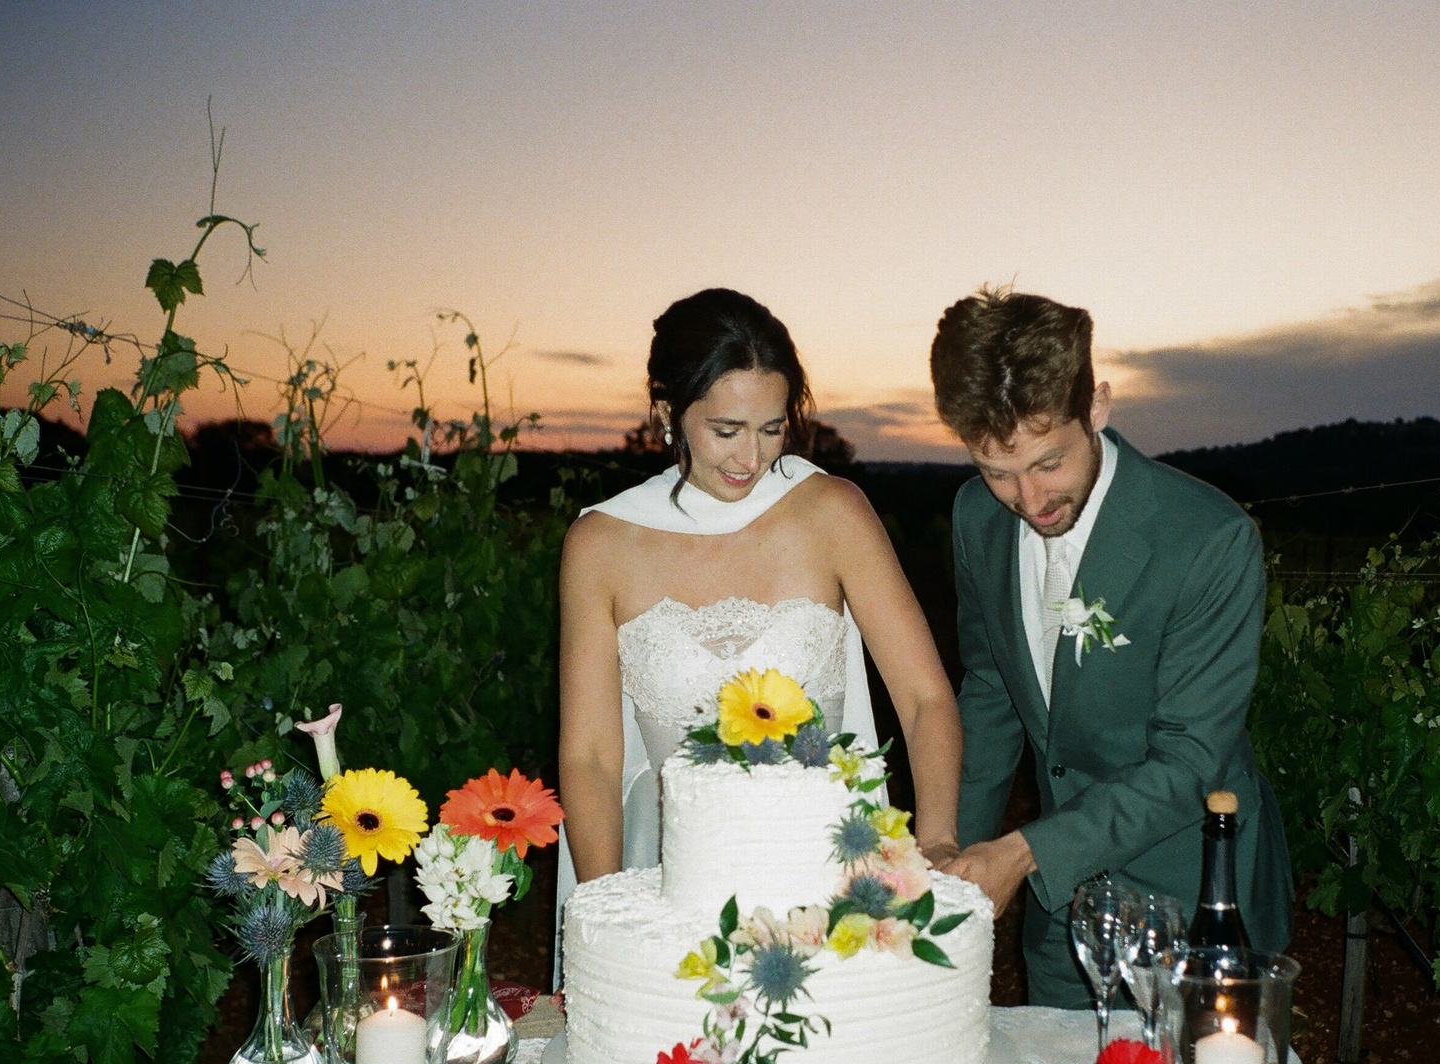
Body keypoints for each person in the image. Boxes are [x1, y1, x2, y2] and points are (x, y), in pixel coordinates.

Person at [553, 289, 961, 982]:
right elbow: (591, 757)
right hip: (668, 884)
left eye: (772, 429)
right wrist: (610, 916)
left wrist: (937, 843)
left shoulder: (833, 512)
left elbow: (925, 699)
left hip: (827, 874)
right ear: (667, 413)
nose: (752, 457)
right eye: (726, 430)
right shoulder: (601, 543)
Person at [930, 286, 1293, 1009]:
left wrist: (1022, 853)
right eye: (996, 471)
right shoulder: (976, 517)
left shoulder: (1208, 539)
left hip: (1198, 901)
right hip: (1063, 913)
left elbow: (1190, 761)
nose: (1028, 500)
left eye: (1048, 463)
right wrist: (949, 862)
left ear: (1096, 405)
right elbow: (991, 692)